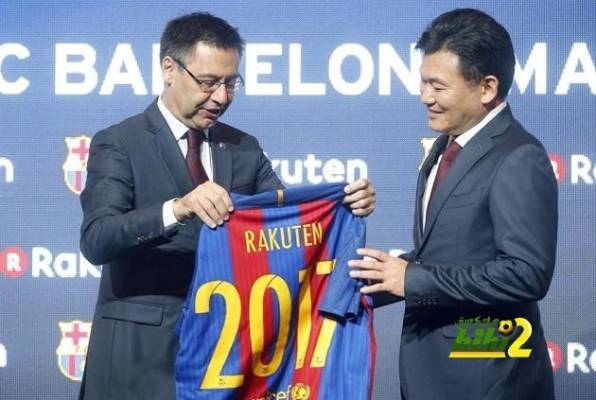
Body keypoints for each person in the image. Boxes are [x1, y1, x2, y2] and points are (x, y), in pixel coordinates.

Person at [79, 12, 375, 400]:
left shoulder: (243, 148)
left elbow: (286, 227)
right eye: (208, 82)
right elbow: (97, 238)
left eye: (231, 83)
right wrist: (177, 208)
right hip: (140, 358)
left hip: (225, 357)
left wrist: (343, 204)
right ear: (169, 69)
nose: (221, 97)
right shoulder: (119, 142)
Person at [349, 8, 557, 400]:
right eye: (423, 82)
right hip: (432, 374)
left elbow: (526, 273)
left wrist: (412, 279)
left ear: (487, 87)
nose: (424, 96)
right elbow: (448, 254)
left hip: (486, 380)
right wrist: (375, 279)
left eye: (438, 86)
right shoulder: (446, 147)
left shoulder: (518, 157)